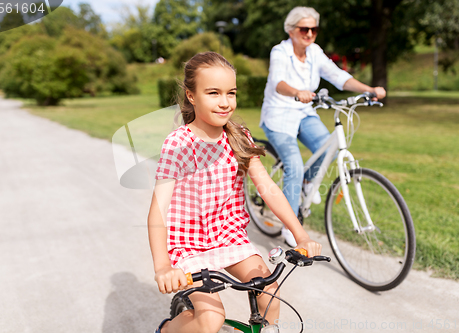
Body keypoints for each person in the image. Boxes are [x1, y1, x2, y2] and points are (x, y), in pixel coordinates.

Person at [148, 51, 322, 333]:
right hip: (189, 244)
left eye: (231, 93)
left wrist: (300, 234)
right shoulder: (177, 143)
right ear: (192, 96)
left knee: (270, 294)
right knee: (211, 319)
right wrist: (163, 267)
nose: (225, 102)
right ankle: (168, 330)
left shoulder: (238, 135)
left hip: (229, 236)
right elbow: (157, 210)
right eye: (214, 93)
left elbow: (268, 188)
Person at [260, 6, 386, 247]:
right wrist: (297, 92)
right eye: (304, 29)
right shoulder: (280, 51)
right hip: (279, 115)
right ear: (291, 30)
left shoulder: (315, 52)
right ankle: (291, 226)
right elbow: (278, 82)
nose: (309, 34)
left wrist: (369, 90)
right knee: (294, 165)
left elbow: (338, 77)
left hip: (305, 113)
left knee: (326, 146)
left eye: (314, 29)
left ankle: (306, 184)